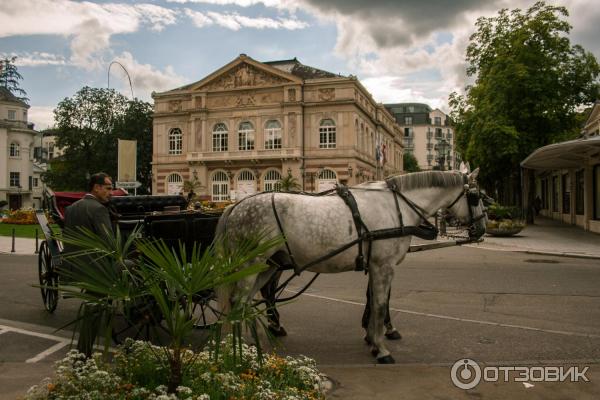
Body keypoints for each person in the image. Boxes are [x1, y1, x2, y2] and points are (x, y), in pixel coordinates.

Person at [62, 172, 115, 357]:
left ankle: (82, 354)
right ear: (96, 187)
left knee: (93, 310)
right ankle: (82, 355)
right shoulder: (98, 209)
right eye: (108, 188)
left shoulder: (71, 208)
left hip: (75, 266)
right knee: (134, 266)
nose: (111, 192)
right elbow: (110, 244)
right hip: (96, 269)